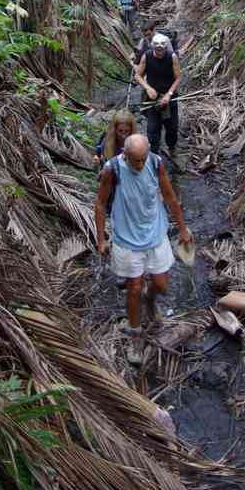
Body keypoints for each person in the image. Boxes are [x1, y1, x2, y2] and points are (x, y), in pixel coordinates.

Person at [95, 134, 191, 364]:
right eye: (134, 160)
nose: (139, 165)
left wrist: (183, 228)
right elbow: (99, 203)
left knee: (160, 285)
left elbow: (169, 196)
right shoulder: (112, 169)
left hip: (155, 233)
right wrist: (100, 238)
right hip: (126, 238)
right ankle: (135, 334)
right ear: (124, 155)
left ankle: (150, 301)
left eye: (142, 159)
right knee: (134, 288)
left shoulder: (156, 163)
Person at [134, 33, 181, 159]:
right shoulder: (147, 56)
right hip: (152, 99)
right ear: (153, 48)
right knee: (153, 129)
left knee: (172, 128)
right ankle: (154, 155)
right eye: (157, 50)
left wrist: (169, 94)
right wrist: (148, 88)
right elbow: (137, 75)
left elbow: (178, 78)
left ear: (165, 48)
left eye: (162, 50)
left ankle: (171, 148)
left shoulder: (172, 57)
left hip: (169, 98)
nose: (159, 52)